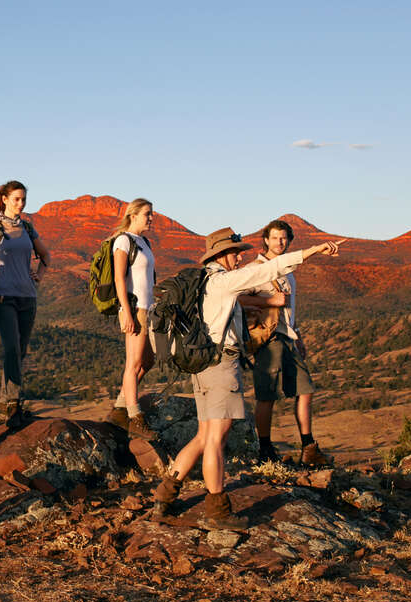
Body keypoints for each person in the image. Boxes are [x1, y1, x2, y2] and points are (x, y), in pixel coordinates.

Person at [151, 227, 343, 530]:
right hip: (221, 365)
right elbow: (271, 268)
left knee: (203, 436)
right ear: (220, 254)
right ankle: (217, 510)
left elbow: (236, 303)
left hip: (203, 363)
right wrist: (312, 251)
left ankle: (164, 496)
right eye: (236, 251)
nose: (240, 256)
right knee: (216, 439)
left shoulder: (204, 282)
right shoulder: (224, 280)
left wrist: (258, 305)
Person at [250, 219, 331, 466]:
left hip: (288, 338)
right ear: (265, 240)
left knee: (305, 390)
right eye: (275, 238)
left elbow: (289, 309)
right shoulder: (256, 269)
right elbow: (242, 300)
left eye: (284, 238)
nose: (279, 242)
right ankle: (264, 449)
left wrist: (298, 334)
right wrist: (269, 303)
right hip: (268, 338)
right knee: (267, 396)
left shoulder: (288, 271)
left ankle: (309, 447)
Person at [0, 180, 52, 426]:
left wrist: (39, 275)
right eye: (17, 199)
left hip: (27, 297)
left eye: (23, 199)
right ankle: (13, 404)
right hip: (2, 297)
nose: (21, 204)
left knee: (20, 351)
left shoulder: (28, 229)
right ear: (5, 199)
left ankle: (5, 403)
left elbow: (46, 255)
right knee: (11, 347)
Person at [106, 198, 158, 439]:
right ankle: (134, 416)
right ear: (134, 215)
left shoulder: (143, 242)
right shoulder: (123, 241)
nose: (151, 217)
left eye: (151, 213)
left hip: (147, 308)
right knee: (133, 363)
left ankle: (120, 406)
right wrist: (126, 311)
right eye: (147, 213)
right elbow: (119, 278)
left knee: (148, 360)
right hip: (134, 308)